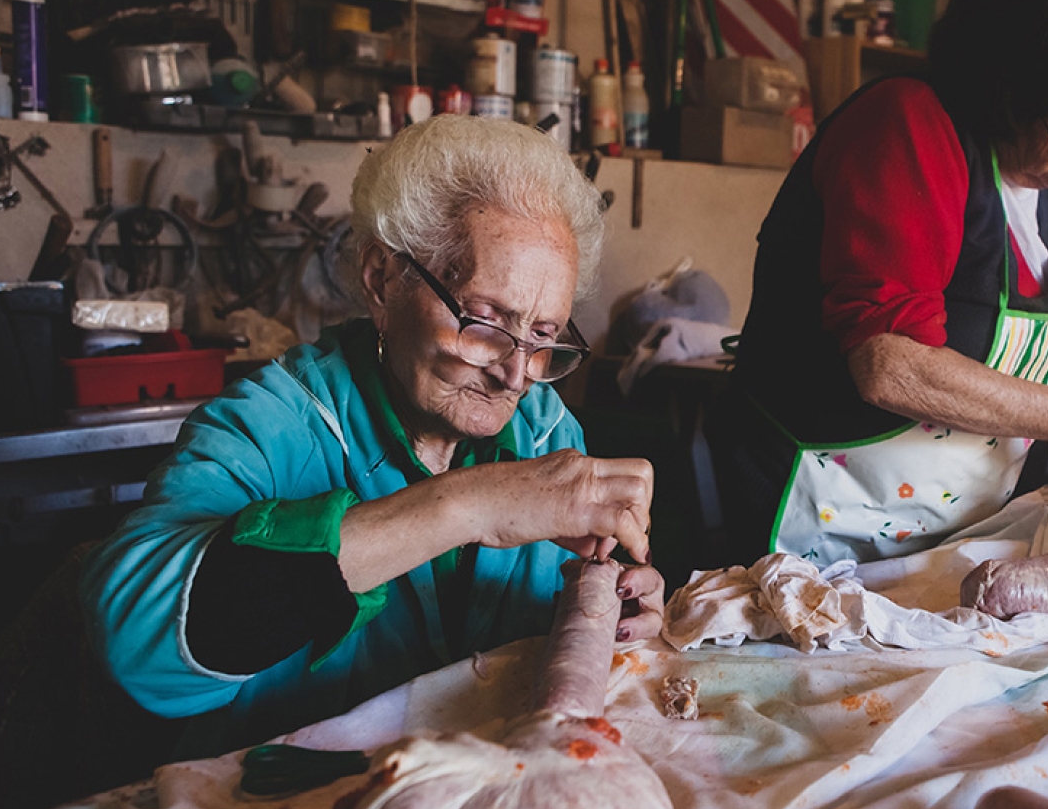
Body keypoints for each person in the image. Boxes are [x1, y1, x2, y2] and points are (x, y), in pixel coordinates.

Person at [80, 116, 662, 757]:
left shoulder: (545, 430)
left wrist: (612, 609)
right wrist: (469, 505)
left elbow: (543, 639)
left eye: (545, 336)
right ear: (384, 281)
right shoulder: (272, 426)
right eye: (486, 320)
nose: (517, 373)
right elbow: (137, 647)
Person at [711, 0, 1048, 568]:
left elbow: (1033, 391)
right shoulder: (910, 126)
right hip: (819, 530)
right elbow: (888, 363)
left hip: (950, 537)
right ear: (1012, 83)